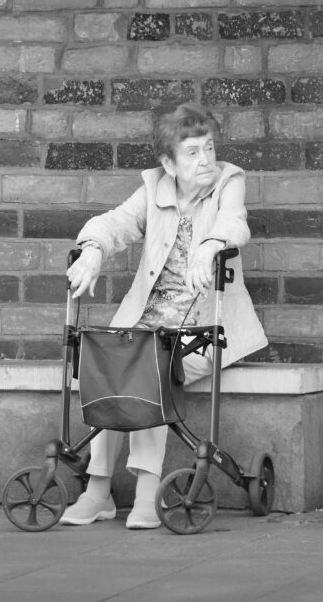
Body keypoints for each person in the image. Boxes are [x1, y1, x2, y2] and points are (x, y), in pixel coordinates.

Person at [61, 103, 268, 529]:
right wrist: (93, 251)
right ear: (168, 163)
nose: (205, 159)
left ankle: (145, 491)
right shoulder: (155, 187)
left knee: (146, 372)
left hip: (202, 328)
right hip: (148, 320)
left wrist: (211, 246)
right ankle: (98, 492)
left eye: (208, 148)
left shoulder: (229, 180)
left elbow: (235, 222)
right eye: (192, 152)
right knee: (108, 366)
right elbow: (117, 222)